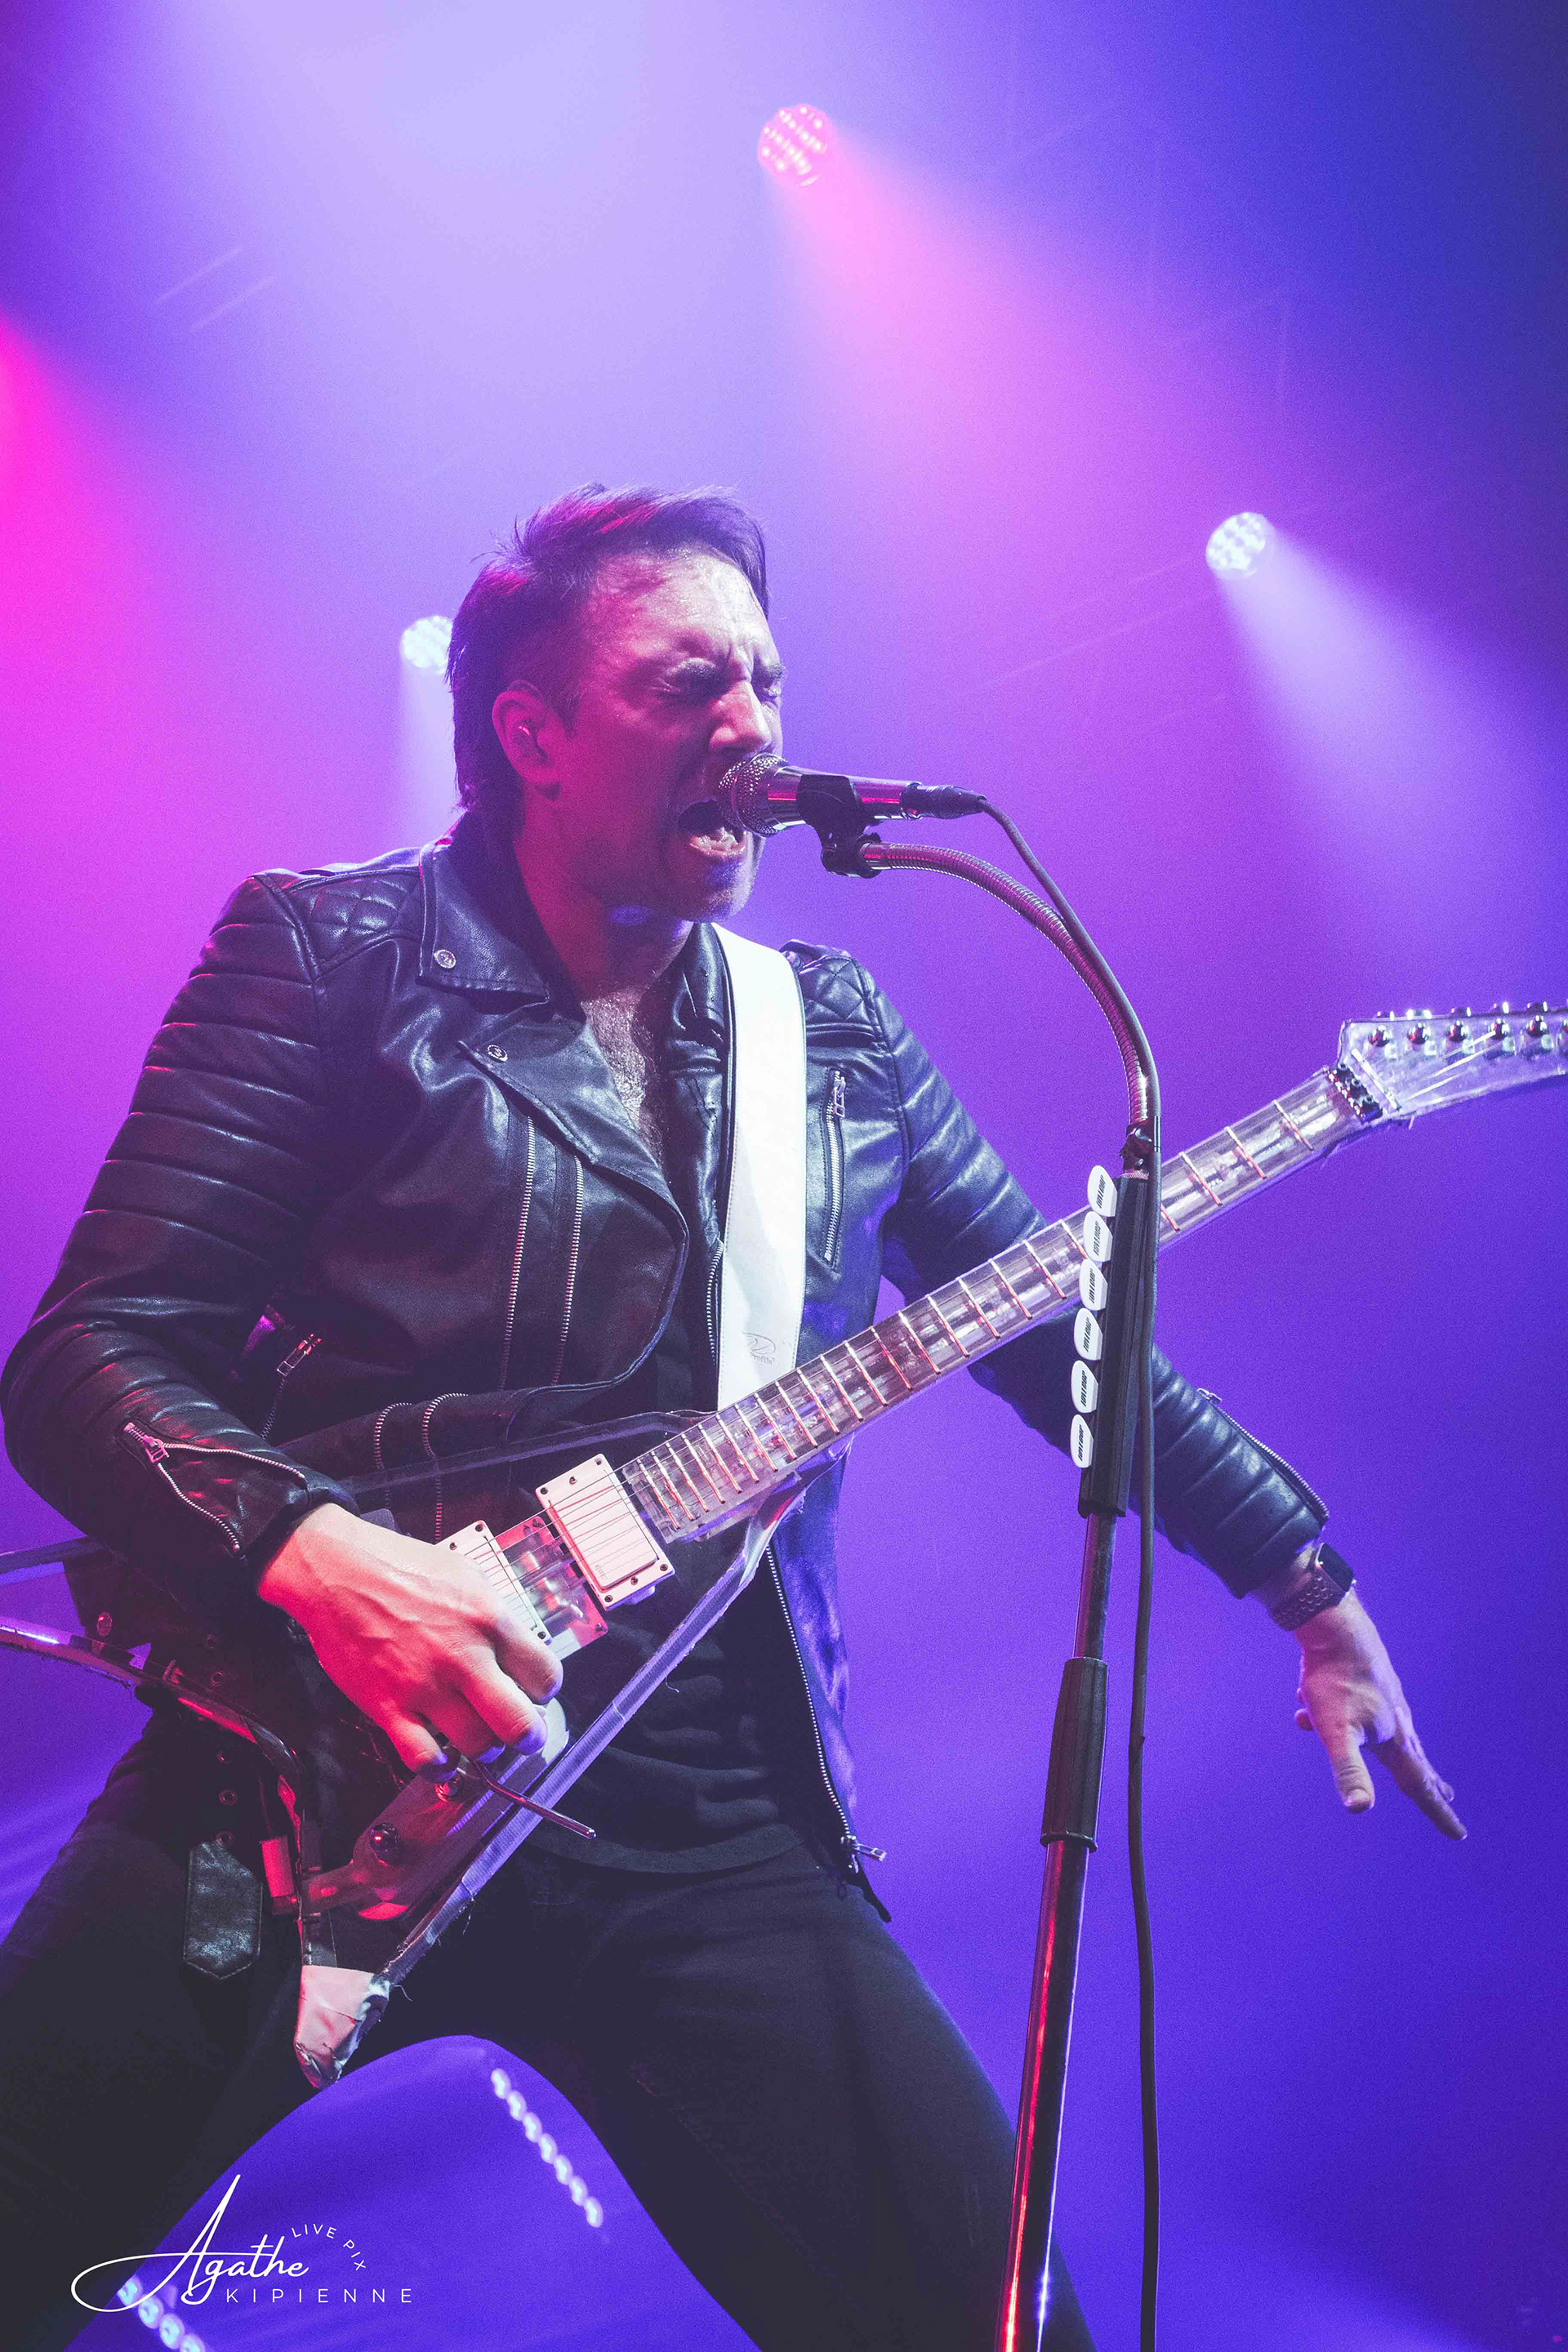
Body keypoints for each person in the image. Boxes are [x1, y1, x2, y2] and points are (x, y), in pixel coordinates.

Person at [0, 486, 1462, 2352]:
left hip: (702, 1821)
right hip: (295, 1774)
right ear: (534, 731)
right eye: (689, 684)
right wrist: (325, 1555)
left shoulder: (826, 1036)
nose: (755, 727)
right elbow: (89, 1356)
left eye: (766, 681)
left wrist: (1303, 1578)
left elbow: (1064, 1333)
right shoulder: (332, 953)